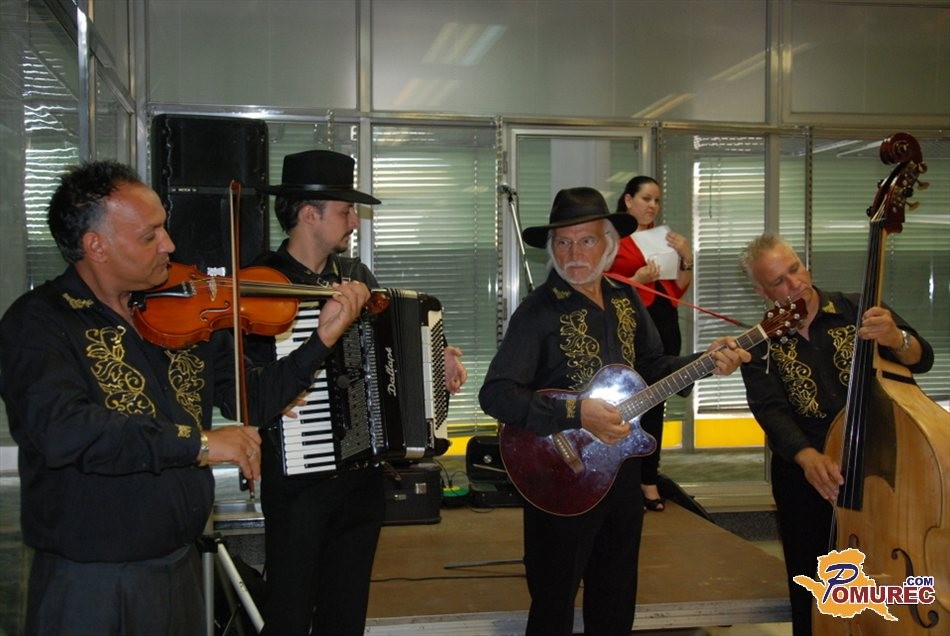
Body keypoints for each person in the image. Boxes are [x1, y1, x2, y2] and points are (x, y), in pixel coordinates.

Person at [0, 160, 369, 635]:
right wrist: (199, 443)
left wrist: (320, 341)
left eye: (164, 228)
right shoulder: (39, 323)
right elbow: (66, 431)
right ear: (96, 246)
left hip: (181, 567)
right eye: (149, 235)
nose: (169, 245)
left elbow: (254, 399)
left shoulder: (185, 308)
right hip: (91, 582)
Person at [478, 186, 749, 636]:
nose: (573, 253)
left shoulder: (626, 299)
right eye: (563, 242)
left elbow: (653, 367)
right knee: (553, 604)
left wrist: (705, 361)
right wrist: (576, 413)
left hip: (620, 471)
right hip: (558, 475)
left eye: (586, 240)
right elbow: (497, 394)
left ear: (609, 244)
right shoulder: (537, 312)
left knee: (616, 598)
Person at [248, 149, 467, 636]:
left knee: (346, 615)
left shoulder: (357, 278)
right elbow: (249, 389)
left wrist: (438, 360)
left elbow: (390, 352)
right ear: (310, 213)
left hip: (361, 477)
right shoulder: (262, 283)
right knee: (287, 614)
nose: (353, 221)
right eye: (346, 211)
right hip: (299, 481)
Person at [738, 233, 934, 636]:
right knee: (814, 590)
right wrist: (807, 457)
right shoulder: (759, 342)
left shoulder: (858, 309)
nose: (795, 284)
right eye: (779, 281)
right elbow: (770, 410)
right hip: (807, 475)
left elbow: (922, 358)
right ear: (761, 292)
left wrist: (897, 338)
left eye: (795, 269)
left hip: (880, 466)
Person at [607, 175, 693, 511]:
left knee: (657, 404)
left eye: (657, 200)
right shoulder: (613, 238)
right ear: (628, 200)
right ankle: (623, 479)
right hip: (631, 326)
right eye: (646, 199)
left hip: (664, 322)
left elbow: (679, 287)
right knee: (627, 404)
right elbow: (602, 287)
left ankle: (649, 480)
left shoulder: (664, 237)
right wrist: (635, 280)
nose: (652, 206)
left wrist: (686, 256)